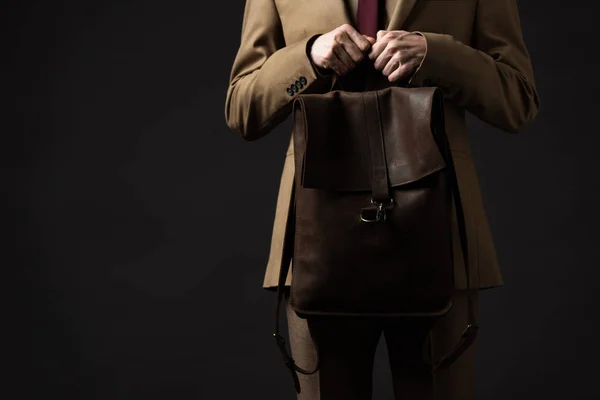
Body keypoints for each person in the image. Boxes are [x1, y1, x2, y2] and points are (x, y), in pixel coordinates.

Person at [224, 0, 540, 399]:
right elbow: (242, 108)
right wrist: (309, 56)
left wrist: (437, 54)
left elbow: (519, 100)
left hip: (439, 236)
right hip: (315, 243)